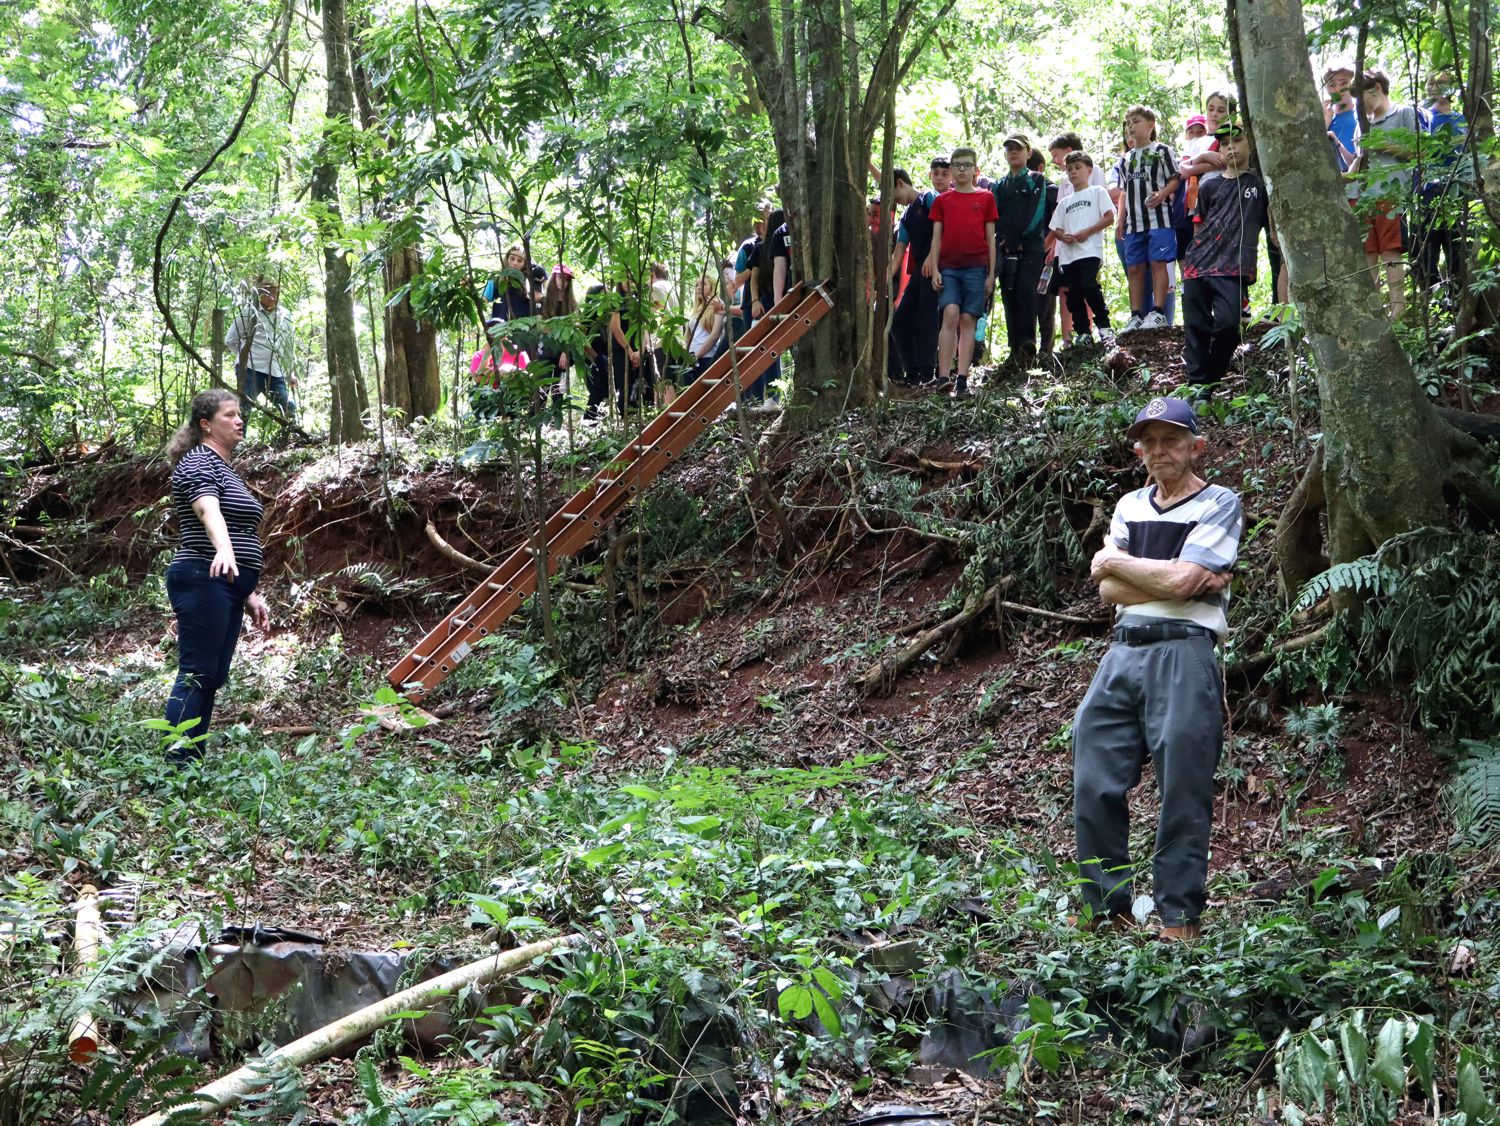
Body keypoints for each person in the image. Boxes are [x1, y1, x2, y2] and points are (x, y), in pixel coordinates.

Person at [1073, 396, 1242, 943]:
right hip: (1124, 649)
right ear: (1138, 449)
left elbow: (1174, 584)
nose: (1159, 451)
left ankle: (1177, 919)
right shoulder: (1129, 505)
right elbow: (1109, 589)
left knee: (1183, 785)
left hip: (1185, 651)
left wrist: (1123, 565)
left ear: (1197, 446)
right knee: (1094, 772)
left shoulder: (1220, 502)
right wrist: (1174, 574)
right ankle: (1107, 909)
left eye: (1171, 440)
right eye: (1149, 441)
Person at [162, 390, 270, 763]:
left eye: (240, 414)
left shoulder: (225, 468)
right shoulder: (197, 462)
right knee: (196, 672)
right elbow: (210, 512)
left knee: (211, 676)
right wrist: (224, 550)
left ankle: (192, 761)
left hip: (224, 584)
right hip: (200, 575)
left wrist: (248, 592)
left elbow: (238, 528)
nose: (239, 420)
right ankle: (177, 764)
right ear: (206, 424)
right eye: (229, 415)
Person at [1181, 124, 1268, 398]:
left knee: (1230, 326)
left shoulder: (1259, 184)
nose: (1231, 147)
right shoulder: (1209, 185)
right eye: (1225, 143)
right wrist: (1190, 261)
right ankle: (1199, 389)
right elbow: (1198, 225)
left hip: (1232, 267)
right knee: (1196, 328)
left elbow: (1273, 227)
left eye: (1237, 141)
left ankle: (1209, 380)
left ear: (1249, 144)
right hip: (1197, 265)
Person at [926, 145, 998, 399]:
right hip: (949, 268)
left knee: (968, 320)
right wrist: (935, 268)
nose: (962, 170)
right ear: (952, 170)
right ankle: (943, 376)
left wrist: (990, 274)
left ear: (975, 169)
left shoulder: (986, 198)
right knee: (950, 313)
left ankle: (963, 379)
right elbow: (936, 238)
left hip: (976, 269)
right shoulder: (942, 200)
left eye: (967, 165)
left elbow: (991, 238)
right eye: (958, 166)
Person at [1356, 69, 1418, 319]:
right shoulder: (1363, 123)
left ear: (1377, 89)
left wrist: (1381, 144)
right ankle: (1372, 313)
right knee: (1368, 252)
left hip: (1392, 195)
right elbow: (1359, 161)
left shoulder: (1403, 113)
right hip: (1366, 198)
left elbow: (1417, 151)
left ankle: (1398, 309)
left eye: (1363, 99)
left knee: (1391, 251)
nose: (1361, 106)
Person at [1115, 106, 1181, 334]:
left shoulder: (1162, 151)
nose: (1131, 126)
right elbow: (1123, 190)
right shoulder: (1125, 160)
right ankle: (1135, 315)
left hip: (1159, 220)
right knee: (1134, 267)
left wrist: (1162, 194)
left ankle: (1159, 311)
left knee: (1158, 262)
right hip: (1134, 223)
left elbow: (1175, 179)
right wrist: (1120, 219)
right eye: (1128, 122)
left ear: (1150, 125)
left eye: (1136, 121)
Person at [991, 135, 1049, 367]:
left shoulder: (1037, 180)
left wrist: (1020, 236)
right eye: (1009, 149)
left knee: (1026, 291)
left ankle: (1028, 344)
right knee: (1008, 293)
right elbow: (993, 216)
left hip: (1031, 247)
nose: (1013, 153)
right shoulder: (999, 185)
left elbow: (1037, 213)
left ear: (1028, 153)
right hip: (1006, 248)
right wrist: (1005, 239)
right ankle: (1014, 348)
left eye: (1018, 149)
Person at [1412, 72, 1471, 298]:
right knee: (1424, 250)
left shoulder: (1463, 119)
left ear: (1452, 87)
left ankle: (1457, 298)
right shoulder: (1420, 116)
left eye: (1441, 82)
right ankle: (1433, 300)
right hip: (1426, 190)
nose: (1434, 87)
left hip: (1458, 190)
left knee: (1456, 247)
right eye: (1430, 82)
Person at [1049, 151, 1117, 348]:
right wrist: (1063, 237)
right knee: (1074, 294)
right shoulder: (1064, 202)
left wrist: (1087, 232)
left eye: (1077, 168)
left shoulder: (1097, 192)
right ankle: (1083, 332)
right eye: (1069, 169)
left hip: (1089, 251)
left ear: (1089, 170)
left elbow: (1109, 217)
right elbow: (1056, 228)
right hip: (1068, 256)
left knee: (1090, 286)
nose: (1073, 173)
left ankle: (1104, 326)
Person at [888, 168, 941, 386]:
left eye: (893, 195)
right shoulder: (906, 216)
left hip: (936, 265)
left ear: (900, 184)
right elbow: (899, 252)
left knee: (926, 319)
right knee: (900, 321)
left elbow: (943, 228)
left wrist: (932, 258)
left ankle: (928, 373)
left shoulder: (929, 198)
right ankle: (912, 372)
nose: (895, 202)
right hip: (920, 270)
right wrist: (882, 282)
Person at [225, 277, 300, 422]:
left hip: (275, 371)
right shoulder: (249, 313)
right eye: (267, 293)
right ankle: (239, 442)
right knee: (244, 408)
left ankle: (294, 438)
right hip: (251, 369)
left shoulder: (285, 315)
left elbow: (288, 345)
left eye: (274, 293)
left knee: (288, 406)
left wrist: (291, 372)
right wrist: (245, 357)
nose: (272, 296)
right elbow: (231, 340)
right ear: (260, 294)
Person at [683, 274, 727, 385]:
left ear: (712, 287)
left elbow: (715, 335)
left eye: (703, 284)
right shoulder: (696, 309)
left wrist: (696, 356)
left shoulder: (718, 305)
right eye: (696, 285)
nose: (698, 287)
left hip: (706, 358)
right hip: (691, 360)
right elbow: (687, 336)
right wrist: (685, 355)